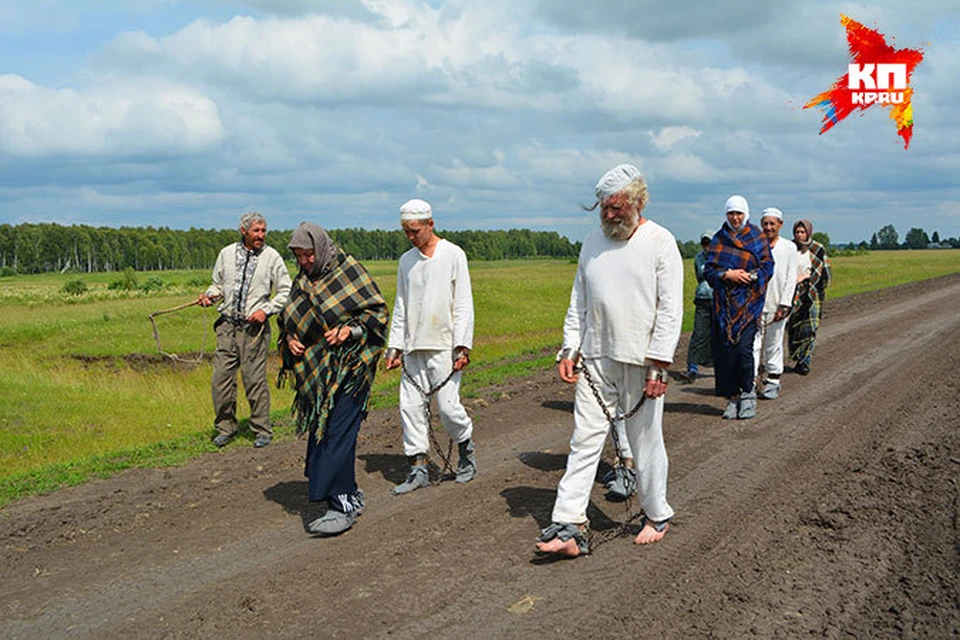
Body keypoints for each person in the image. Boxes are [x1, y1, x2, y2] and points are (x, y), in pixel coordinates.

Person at [536, 164, 683, 558]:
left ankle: (656, 514)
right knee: (584, 440)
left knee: (645, 439)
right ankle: (570, 524)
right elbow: (578, 303)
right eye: (604, 207)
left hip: (642, 361)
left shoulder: (661, 242)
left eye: (617, 207)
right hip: (596, 357)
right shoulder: (591, 243)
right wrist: (570, 349)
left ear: (639, 201)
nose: (610, 215)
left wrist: (660, 364)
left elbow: (670, 309)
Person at [278, 223, 388, 536]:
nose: (305, 261)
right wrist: (289, 337)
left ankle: (342, 507)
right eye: (299, 256)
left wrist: (348, 332)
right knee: (321, 434)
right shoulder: (303, 280)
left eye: (309, 254)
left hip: (351, 370)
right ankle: (349, 492)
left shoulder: (348, 271)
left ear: (322, 249)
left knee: (337, 435)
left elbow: (376, 316)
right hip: (320, 375)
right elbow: (290, 317)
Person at [384, 198, 477, 495]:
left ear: (430, 224)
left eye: (415, 231)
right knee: (410, 408)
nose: (411, 237)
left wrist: (463, 346)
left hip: (444, 347)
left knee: (448, 409)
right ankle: (418, 468)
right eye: (406, 232)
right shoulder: (406, 261)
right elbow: (400, 305)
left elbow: (463, 302)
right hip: (413, 347)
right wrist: (394, 346)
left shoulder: (453, 254)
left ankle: (466, 450)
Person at [198, 211, 292, 448]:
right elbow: (217, 284)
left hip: (254, 329)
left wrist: (266, 310)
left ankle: (262, 430)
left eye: (263, 230)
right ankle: (225, 428)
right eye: (256, 231)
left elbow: (285, 291)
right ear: (244, 231)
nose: (261, 235)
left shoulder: (272, 257)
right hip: (227, 326)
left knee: (254, 380)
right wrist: (210, 296)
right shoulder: (226, 254)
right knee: (220, 380)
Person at [703, 196, 773, 420]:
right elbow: (709, 271)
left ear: (746, 214)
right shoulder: (719, 239)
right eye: (731, 214)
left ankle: (748, 393)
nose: (735, 218)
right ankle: (732, 397)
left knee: (744, 351)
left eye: (739, 214)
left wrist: (752, 277)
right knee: (726, 354)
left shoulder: (756, 237)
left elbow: (768, 266)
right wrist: (727, 274)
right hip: (724, 307)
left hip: (748, 304)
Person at [752, 208, 798, 399]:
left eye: (772, 223)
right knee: (753, 345)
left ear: (780, 224)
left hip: (778, 304)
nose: (768, 227)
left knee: (774, 342)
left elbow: (790, 278)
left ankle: (773, 380)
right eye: (765, 223)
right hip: (755, 305)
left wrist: (785, 304)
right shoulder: (755, 246)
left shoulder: (789, 248)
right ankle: (750, 381)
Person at [788, 219, 831, 375]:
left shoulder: (817, 249)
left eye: (803, 232)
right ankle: (797, 355)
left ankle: (804, 362)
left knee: (810, 329)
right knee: (795, 328)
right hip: (793, 294)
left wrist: (808, 279)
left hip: (813, 295)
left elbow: (824, 274)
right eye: (797, 232)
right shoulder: (790, 248)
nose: (800, 235)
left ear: (808, 232)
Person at [680, 229, 716, 383]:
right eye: (705, 243)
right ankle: (692, 369)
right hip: (702, 299)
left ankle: (721, 367)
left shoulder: (721, 258)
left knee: (719, 335)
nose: (707, 246)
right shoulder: (698, 259)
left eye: (710, 243)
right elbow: (699, 277)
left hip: (718, 300)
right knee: (699, 334)